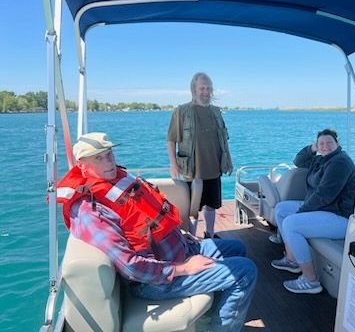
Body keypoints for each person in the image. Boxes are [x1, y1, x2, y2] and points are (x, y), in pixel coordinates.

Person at [57, 132, 256, 331]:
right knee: (245, 271)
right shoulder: (91, 210)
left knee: (237, 248)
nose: (108, 161)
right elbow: (130, 267)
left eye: (109, 154)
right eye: (98, 158)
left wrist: (185, 238)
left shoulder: (117, 178)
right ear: (82, 165)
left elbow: (150, 218)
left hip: (183, 248)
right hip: (155, 279)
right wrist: (183, 268)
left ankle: (214, 318)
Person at [270, 128, 355, 294]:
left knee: (291, 223)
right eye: (321, 143)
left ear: (337, 144)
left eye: (329, 143)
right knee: (282, 209)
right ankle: (292, 260)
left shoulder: (340, 162)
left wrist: (301, 211)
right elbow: (298, 160)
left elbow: (324, 195)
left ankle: (310, 281)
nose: (325, 146)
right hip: (324, 209)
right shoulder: (321, 160)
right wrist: (312, 148)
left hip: (340, 216)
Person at [167, 72, 233, 238]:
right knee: (192, 208)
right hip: (192, 169)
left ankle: (210, 233)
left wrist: (229, 160)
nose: (206, 91)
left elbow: (224, 139)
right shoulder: (181, 111)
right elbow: (171, 139)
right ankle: (192, 237)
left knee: (211, 205)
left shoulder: (217, 112)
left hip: (214, 167)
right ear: (194, 89)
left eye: (208, 88)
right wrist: (173, 164)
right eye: (202, 88)